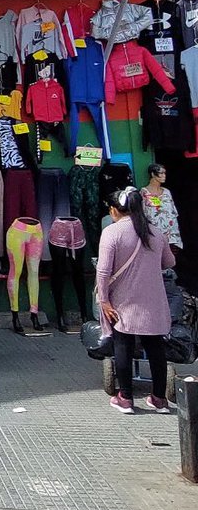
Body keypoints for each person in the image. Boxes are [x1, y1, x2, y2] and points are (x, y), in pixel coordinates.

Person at [98, 188, 176, 413]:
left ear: (114, 210)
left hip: (124, 303)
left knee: (123, 345)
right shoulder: (156, 232)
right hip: (153, 301)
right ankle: (159, 399)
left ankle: (126, 398)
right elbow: (169, 262)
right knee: (155, 347)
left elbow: (103, 272)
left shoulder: (112, 233)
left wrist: (104, 301)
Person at [140, 163, 182, 253]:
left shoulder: (167, 192)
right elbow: (143, 214)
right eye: (161, 173)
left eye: (165, 173)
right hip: (155, 234)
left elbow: (173, 213)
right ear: (152, 174)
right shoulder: (144, 192)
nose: (164, 176)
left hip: (171, 235)